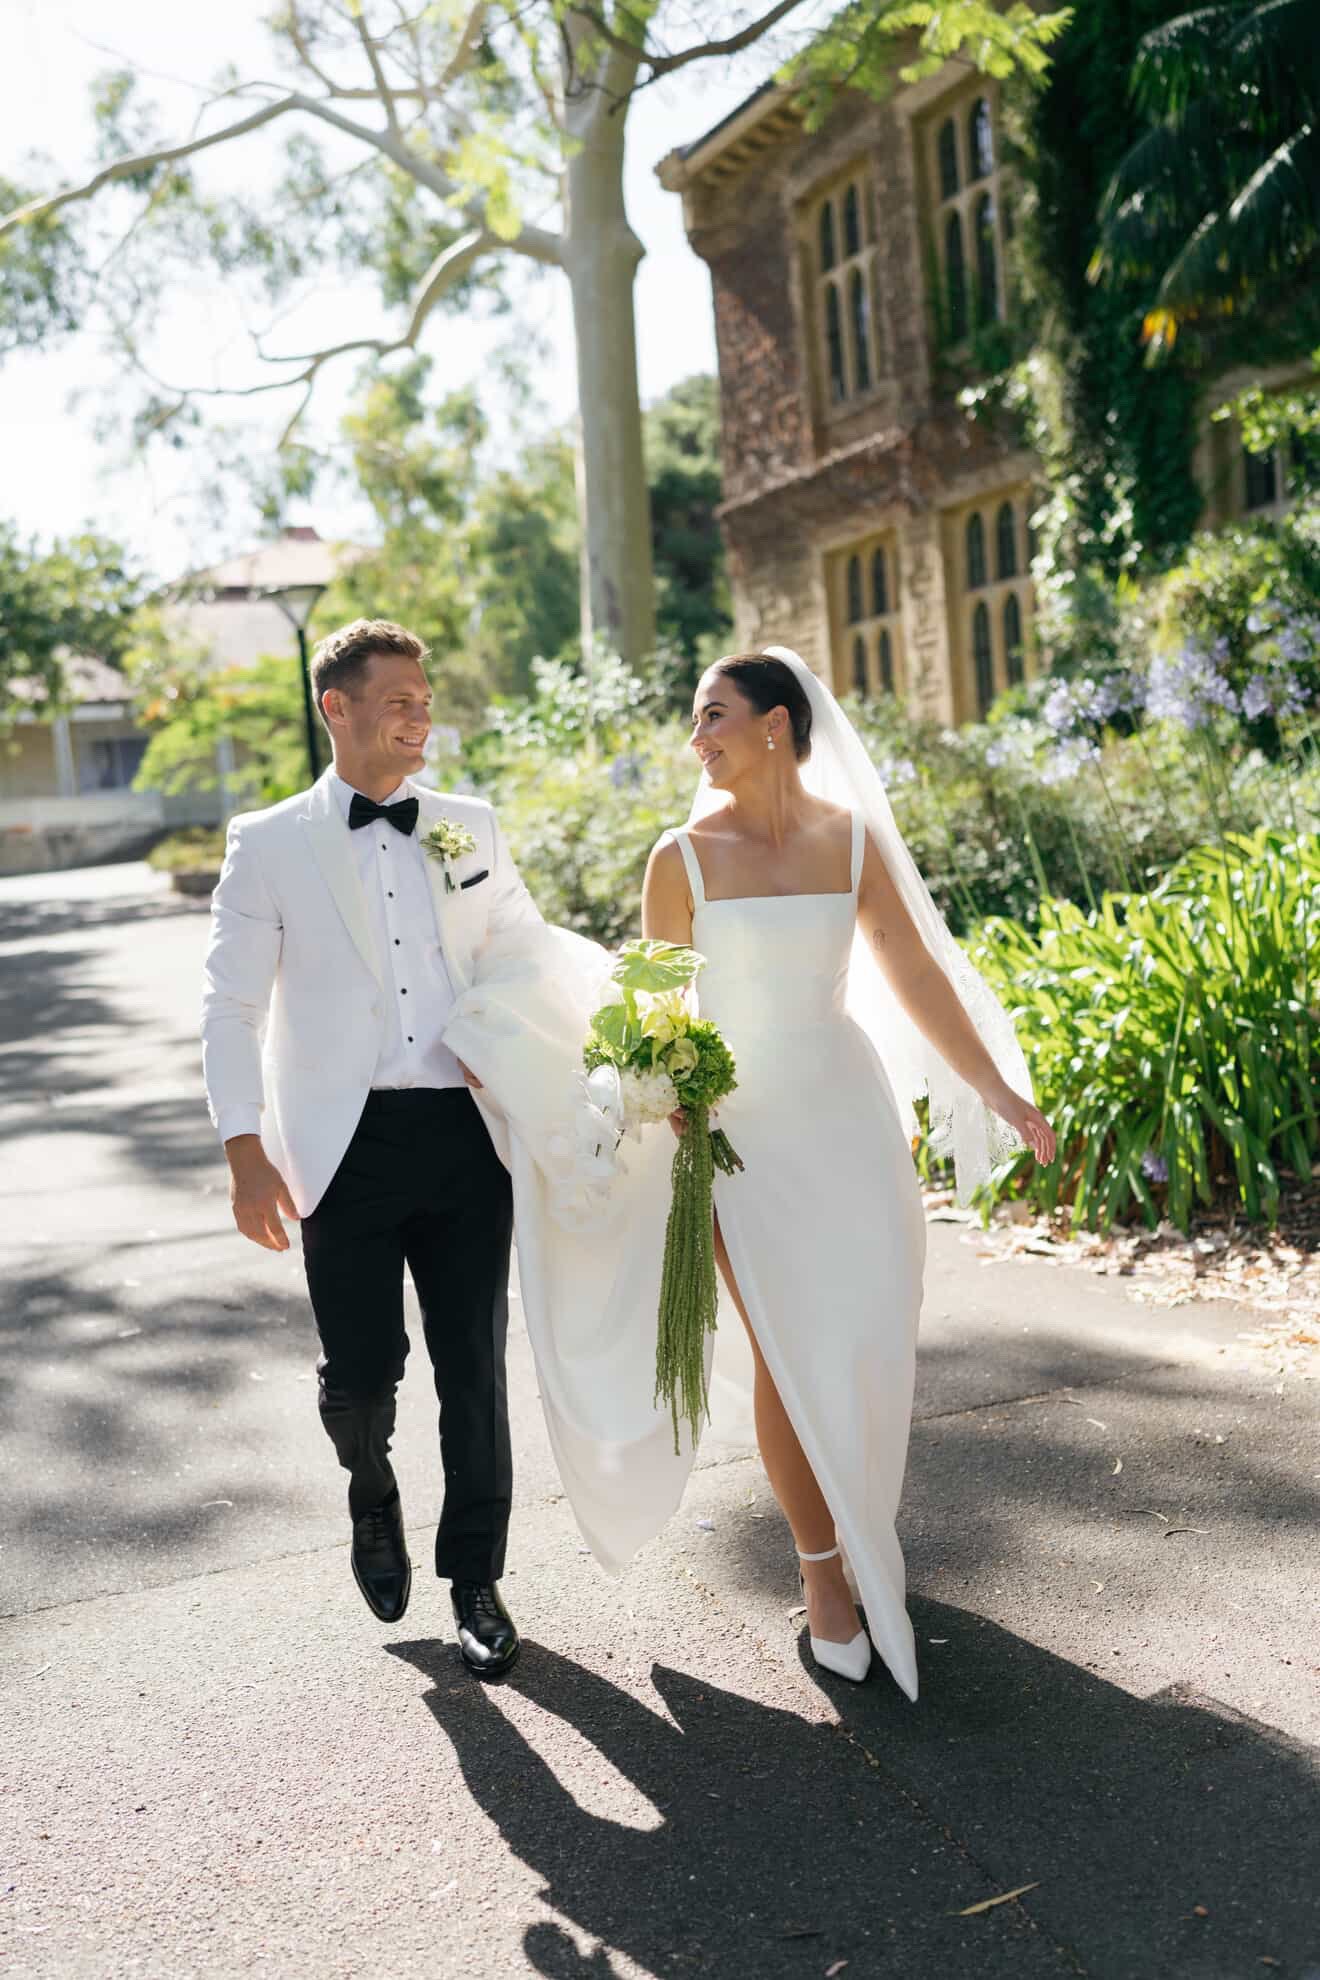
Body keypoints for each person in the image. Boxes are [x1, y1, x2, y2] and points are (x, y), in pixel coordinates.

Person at [639, 648, 1055, 1694]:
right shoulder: (676, 859)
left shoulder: (852, 840)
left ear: (777, 723)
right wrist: (661, 1086)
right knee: (787, 1349)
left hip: (847, 1117)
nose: (699, 741)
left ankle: (866, 1523)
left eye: (714, 716)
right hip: (737, 1137)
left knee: (870, 1331)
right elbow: (651, 1010)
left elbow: (911, 970)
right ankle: (824, 1570)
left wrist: (998, 1090)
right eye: (697, 723)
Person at [200, 618, 542, 1679]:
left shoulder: (471, 827)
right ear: (334, 708)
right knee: (361, 1376)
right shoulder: (268, 842)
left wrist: (516, 1043)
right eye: (396, 698)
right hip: (336, 1150)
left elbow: (523, 955)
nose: (419, 715)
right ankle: (371, 1494)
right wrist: (243, 1149)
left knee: (474, 1369)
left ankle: (476, 1577)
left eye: (426, 698)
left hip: (462, 1135)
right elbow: (227, 1004)